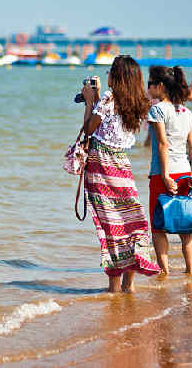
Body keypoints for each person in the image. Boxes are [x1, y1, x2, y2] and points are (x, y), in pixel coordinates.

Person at [81, 55, 160, 293]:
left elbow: (88, 130)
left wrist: (88, 102)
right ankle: (128, 285)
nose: (108, 76)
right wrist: (96, 99)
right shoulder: (140, 102)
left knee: (110, 225)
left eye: (111, 72)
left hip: (101, 164)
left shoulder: (108, 99)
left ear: (118, 76)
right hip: (122, 166)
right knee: (129, 221)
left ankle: (114, 288)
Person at [147, 66, 192, 275]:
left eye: (150, 83)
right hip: (186, 173)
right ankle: (191, 271)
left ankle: (165, 272)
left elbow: (162, 144)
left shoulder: (158, 109)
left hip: (164, 175)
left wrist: (165, 175)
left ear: (160, 86)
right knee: (186, 227)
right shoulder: (188, 113)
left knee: (159, 227)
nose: (148, 87)